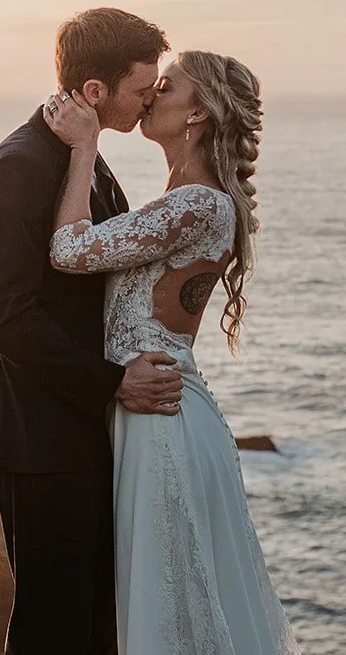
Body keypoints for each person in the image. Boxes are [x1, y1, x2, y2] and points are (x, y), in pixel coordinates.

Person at [44, 49, 300, 654]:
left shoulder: (196, 204)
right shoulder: (190, 198)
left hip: (159, 419)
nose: (151, 94)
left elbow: (69, 252)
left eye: (166, 85)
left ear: (199, 113)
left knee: (165, 613)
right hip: (162, 409)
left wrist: (83, 148)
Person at [0, 7, 187, 655]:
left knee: (94, 621)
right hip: (40, 437)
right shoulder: (20, 164)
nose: (151, 97)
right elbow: (7, 315)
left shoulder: (80, 156)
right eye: (141, 87)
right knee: (53, 625)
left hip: (79, 428)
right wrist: (115, 383)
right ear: (96, 92)